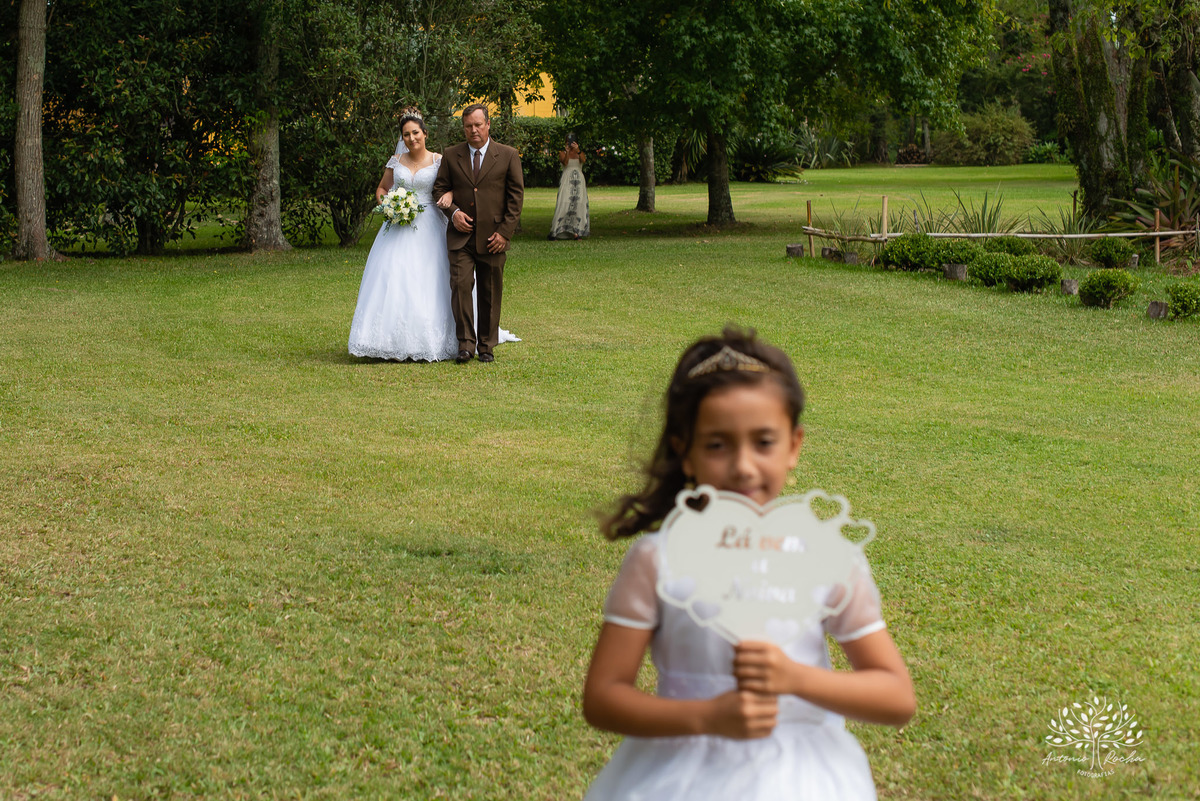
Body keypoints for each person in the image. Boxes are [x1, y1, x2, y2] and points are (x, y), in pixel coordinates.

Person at [581, 326, 915, 800]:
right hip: (681, 776)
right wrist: (706, 717)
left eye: (763, 442)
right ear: (686, 451)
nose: (742, 466)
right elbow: (603, 698)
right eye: (717, 444)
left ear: (794, 446)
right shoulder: (658, 561)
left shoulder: (825, 558)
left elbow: (896, 698)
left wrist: (793, 677)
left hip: (802, 780)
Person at [348, 111, 519, 362]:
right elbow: (385, 188)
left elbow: (450, 186)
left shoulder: (442, 158)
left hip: (432, 225)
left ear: (425, 133)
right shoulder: (399, 160)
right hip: (399, 228)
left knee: (439, 279)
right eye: (406, 134)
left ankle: (482, 344)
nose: (411, 138)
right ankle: (413, 340)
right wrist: (390, 206)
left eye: (415, 132)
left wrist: (450, 198)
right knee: (397, 278)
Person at [432, 104, 525, 364]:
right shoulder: (451, 155)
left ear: (488, 125)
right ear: (463, 128)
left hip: (494, 238)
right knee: (460, 287)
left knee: (490, 291)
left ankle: (486, 346)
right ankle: (465, 344)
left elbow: (515, 197)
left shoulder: (507, 155)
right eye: (468, 126)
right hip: (460, 238)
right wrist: (453, 212)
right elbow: (439, 190)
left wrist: (505, 233)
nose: (473, 130)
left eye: (477, 125)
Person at [548, 133, 589, 240]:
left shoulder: (579, 153)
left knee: (579, 204)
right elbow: (565, 163)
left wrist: (578, 150)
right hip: (567, 179)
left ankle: (576, 231)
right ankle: (557, 231)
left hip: (579, 180)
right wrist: (567, 152)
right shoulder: (562, 153)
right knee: (564, 203)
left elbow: (583, 160)